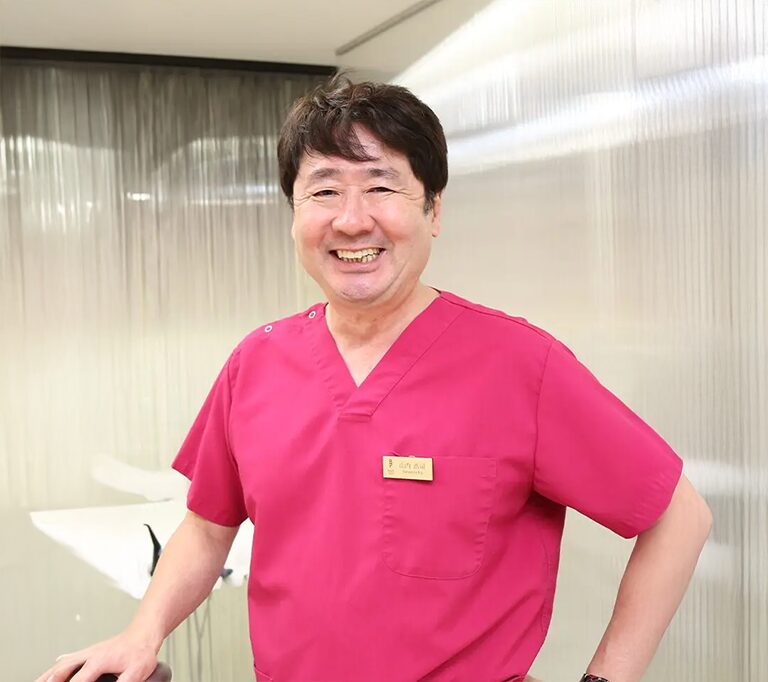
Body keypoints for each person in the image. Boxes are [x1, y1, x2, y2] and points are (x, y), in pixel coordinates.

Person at [38, 75, 712, 682]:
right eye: (324, 190)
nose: (352, 219)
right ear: (295, 213)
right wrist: (143, 633)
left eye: (382, 187)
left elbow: (677, 517)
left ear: (434, 210)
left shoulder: (519, 365)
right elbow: (209, 527)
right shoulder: (256, 362)